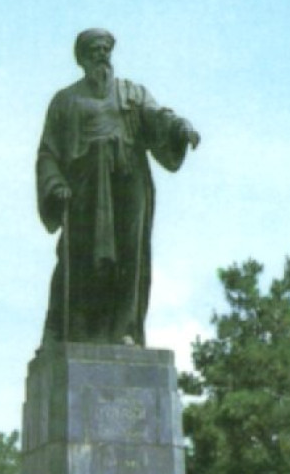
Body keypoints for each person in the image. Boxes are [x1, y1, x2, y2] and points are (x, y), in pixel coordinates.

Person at [36, 28, 201, 346]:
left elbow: (157, 117)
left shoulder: (132, 93)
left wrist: (180, 127)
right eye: (94, 50)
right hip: (83, 192)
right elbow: (48, 153)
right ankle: (76, 330)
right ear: (82, 58)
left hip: (129, 184)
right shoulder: (66, 101)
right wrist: (55, 183)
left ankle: (125, 329)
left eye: (105, 49)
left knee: (129, 257)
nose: (101, 55)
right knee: (81, 260)